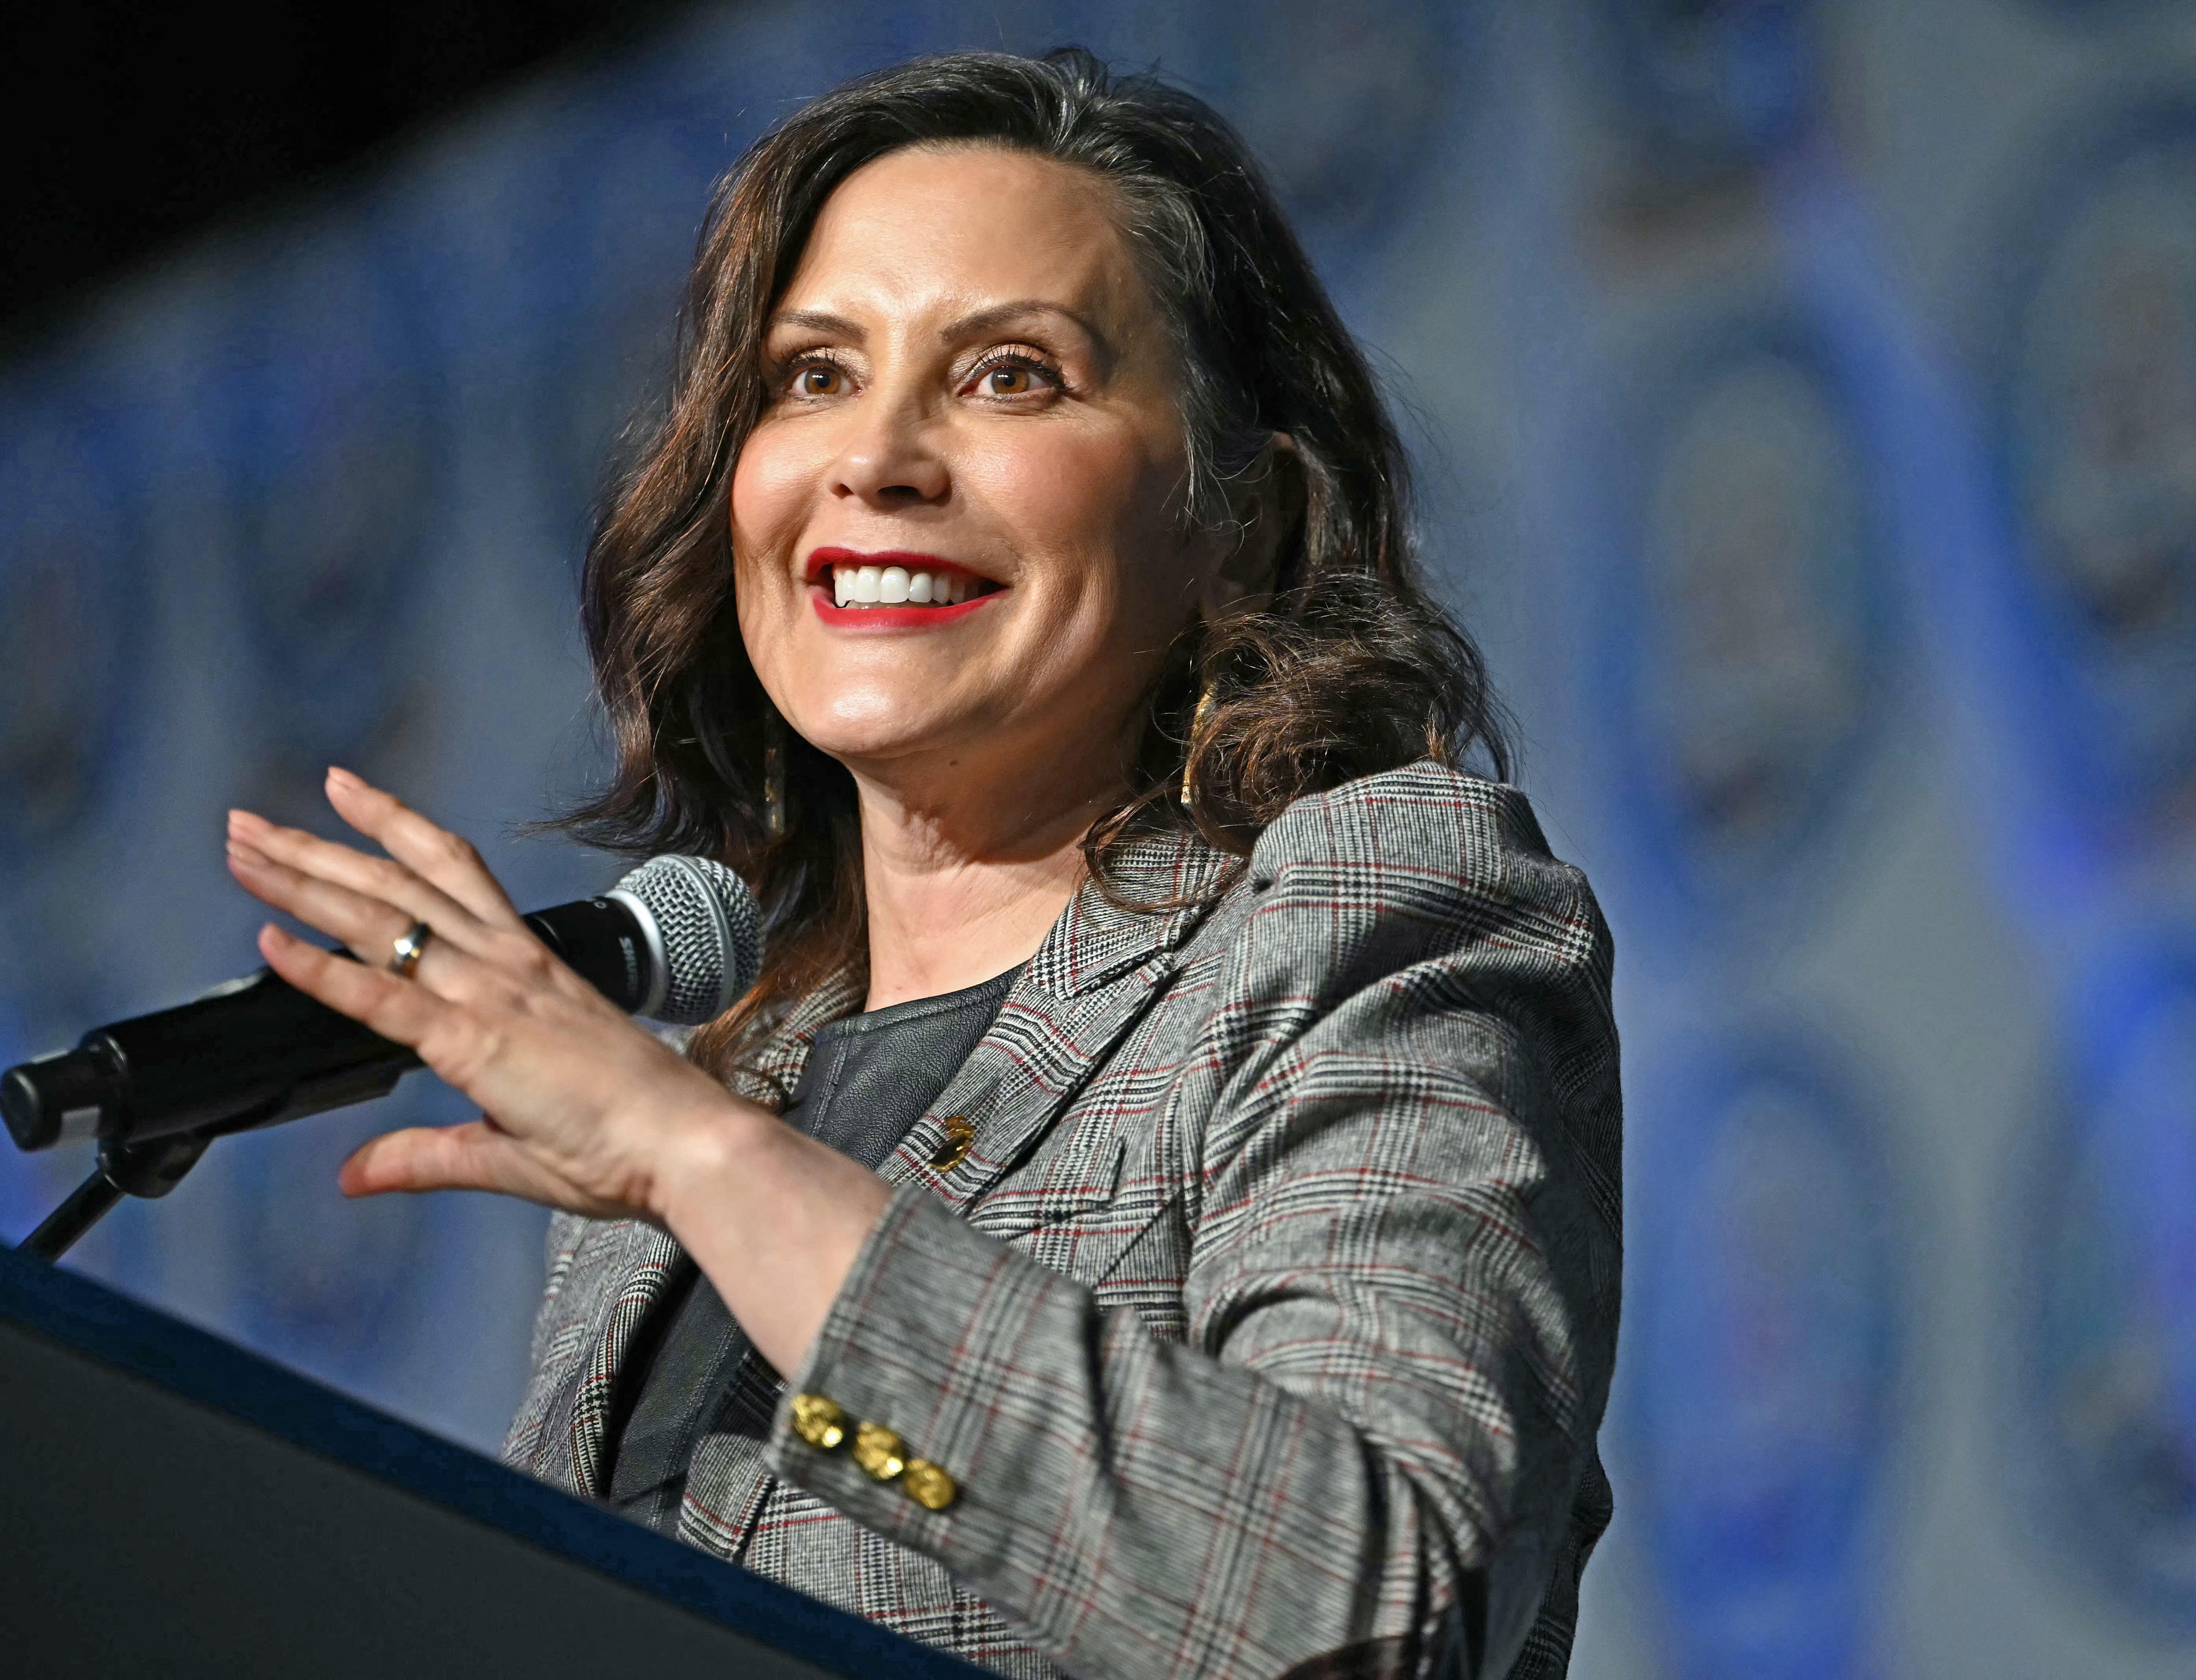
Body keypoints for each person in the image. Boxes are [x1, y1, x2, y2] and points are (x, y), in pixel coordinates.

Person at [221, 48, 1621, 1680]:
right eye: (812, 375)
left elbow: (1371, 1606)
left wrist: (700, 1160)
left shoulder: (1366, 913)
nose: (871, 458)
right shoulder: (727, 1091)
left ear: (1242, 509)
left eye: (1011, 375)